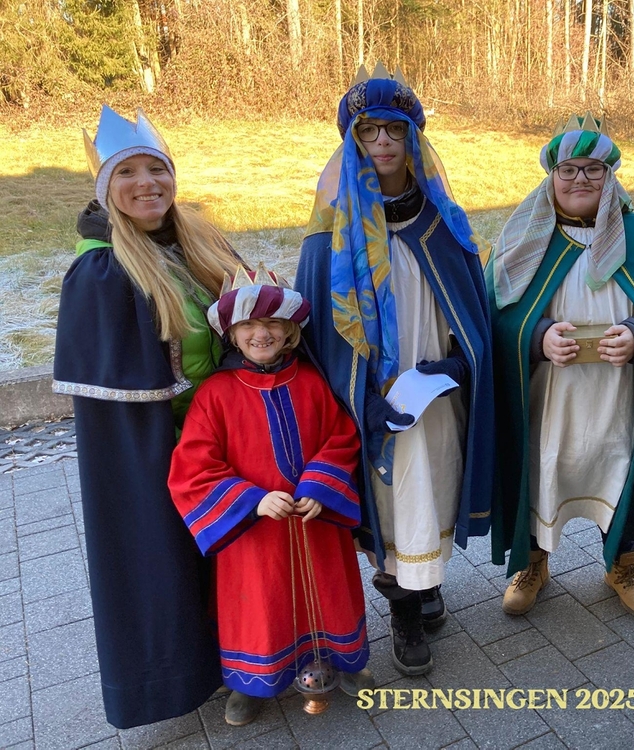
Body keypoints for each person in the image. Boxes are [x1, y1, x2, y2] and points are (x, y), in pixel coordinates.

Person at [295, 64, 494, 676]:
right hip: (375, 397)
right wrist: (361, 399)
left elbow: (470, 305)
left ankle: (426, 583)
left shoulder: (442, 222)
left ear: (413, 138)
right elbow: (319, 334)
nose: (382, 142)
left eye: (395, 130)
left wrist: (459, 361)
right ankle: (403, 610)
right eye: (369, 131)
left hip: (436, 391)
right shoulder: (331, 235)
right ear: (353, 140)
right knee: (391, 499)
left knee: (434, 487)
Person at [52, 106, 238, 727]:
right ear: (106, 188)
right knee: (170, 563)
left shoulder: (199, 238)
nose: (146, 183)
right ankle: (186, 677)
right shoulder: (102, 271)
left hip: (228, 432)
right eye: (127, 173)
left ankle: (252, 655)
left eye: (156, 169)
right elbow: (121, 397)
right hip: (165, 449)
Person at [488, 113, 634, 620]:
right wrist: (536, 336)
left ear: (610, 178)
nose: (580, 179)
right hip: (548, 396)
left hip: (618, 393)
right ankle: (532, 564)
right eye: (569, 170)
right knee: (542, 468)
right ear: (551, 177)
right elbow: (493, 312)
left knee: (616, 466)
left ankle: (622, 565)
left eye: (593, 169)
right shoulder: (522, 239)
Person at [168, 265, 371, 726]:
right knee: (258, 604)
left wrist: (320, 485)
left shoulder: (312, 381)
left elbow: (341, 437)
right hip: (253, 534)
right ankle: (251, 680)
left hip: (315, 522)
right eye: (249, 325)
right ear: (232, 334)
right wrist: (251, 500)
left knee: (331, 593)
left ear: (290, 331)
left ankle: (346, 660)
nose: (261, 333)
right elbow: (193, 467)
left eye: (273, 323)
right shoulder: (215, 394)